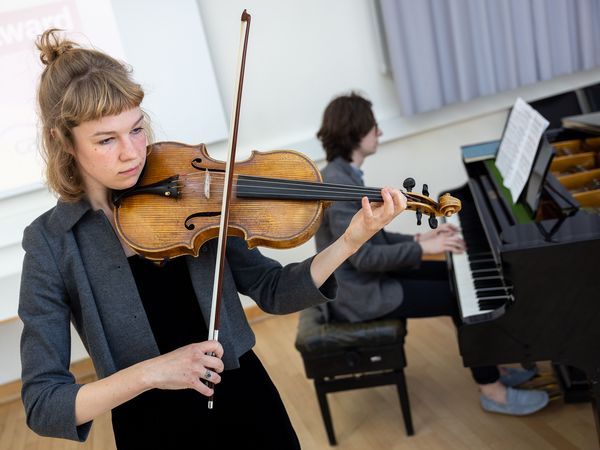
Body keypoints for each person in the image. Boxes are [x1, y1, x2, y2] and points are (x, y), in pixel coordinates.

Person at [18, 30, 408, 450]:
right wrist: (153, 372)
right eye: (106, 140)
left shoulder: (193, 191)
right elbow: (43, 403)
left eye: (135, 129)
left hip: (248, 403)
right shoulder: (51, 244)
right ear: (63, 141)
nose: (132, 153)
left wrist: (351, 241)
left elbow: (273, 291)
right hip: (154, 426)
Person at [314, 92, 550, 416]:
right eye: (374, 127)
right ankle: (492, 390)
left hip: (368, 279)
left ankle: (492, 363)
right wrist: (423, 248)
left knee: (453, 276)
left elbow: (372, 236)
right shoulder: (339, 183)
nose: (379, 132)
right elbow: (363, 257)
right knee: (459, 298)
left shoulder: (341, 173)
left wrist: (421, 237)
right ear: (356, 133)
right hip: (359, 294)